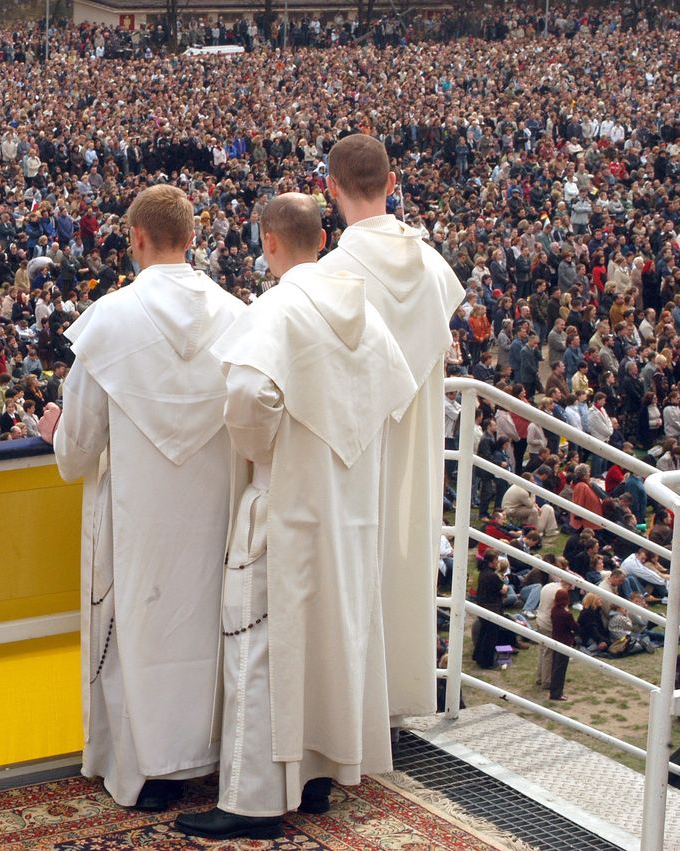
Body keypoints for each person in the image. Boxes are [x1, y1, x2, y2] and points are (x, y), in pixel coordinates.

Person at [176, 194, 415, 839]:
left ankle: (251, 802)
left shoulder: (278, 308)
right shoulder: (360, 307)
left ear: (269, 243)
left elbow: (251, 392)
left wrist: (260, 452)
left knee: (258, 643)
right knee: (327, 640)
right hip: (348, 506)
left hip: (284, 500)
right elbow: (395, 390)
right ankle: (313, 779)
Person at [41, 185, 245, 811]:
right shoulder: (238, 316)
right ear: (193, 238)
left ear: (136, 239)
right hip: (216, 511)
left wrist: (54, 433)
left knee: (139, 628)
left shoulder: (112, 319)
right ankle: (206, 755)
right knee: (203, 622)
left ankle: (149, 772)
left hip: (136, 514)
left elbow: (76, 455)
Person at [317, 134, 465, 730]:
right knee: (406, 558)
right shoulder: (433, 266)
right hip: (418, 446)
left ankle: (354, 705)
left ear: (330, 189)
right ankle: (401, 696)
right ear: (393, 182)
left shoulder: (331, 274)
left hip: (356, 446)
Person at [548, 588, 576, 701]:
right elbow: (574, 627)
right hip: (564, 642)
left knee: (556, 667)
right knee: (560, 669)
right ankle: (556, 694)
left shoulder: (554, 611)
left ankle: (554, 691)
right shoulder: (566, 614)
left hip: (556, 640)